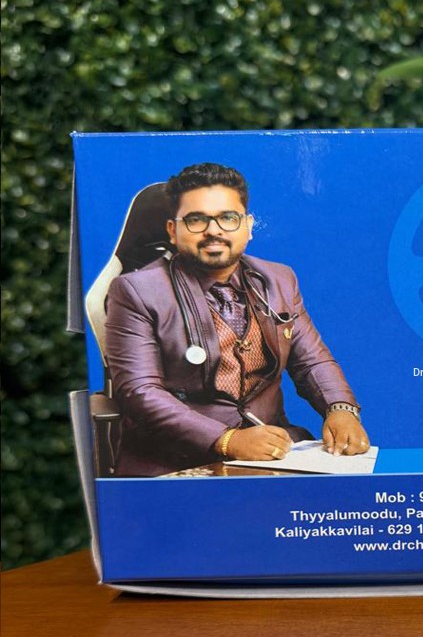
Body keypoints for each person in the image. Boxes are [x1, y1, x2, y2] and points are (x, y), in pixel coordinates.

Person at [104, 162, 369, 476]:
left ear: (248, 226)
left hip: (273, 454)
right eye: (196, 220)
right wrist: (226, 439)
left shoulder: (280, 279)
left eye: (228, 218)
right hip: (174, 460)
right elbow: (140, 391)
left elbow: (312, 361)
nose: (213, 231)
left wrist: (340, 409)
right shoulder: (135, 291)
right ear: (173, 231)